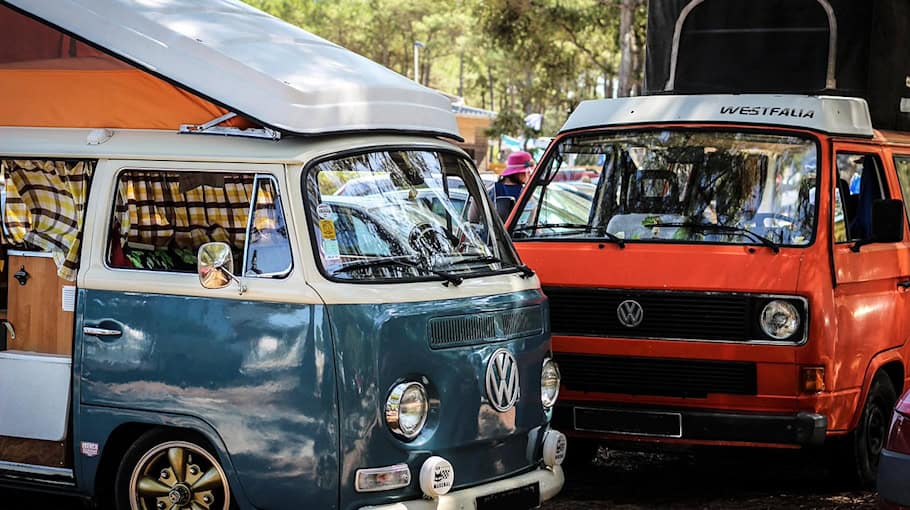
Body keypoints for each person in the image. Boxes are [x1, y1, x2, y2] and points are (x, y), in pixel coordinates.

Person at [489, 150, 534, 219]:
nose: (530, 175)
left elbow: (473, 218)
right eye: (528, 172)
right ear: (520, 173)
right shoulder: (526, 195)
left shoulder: (490, 189)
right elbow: (531, 221)